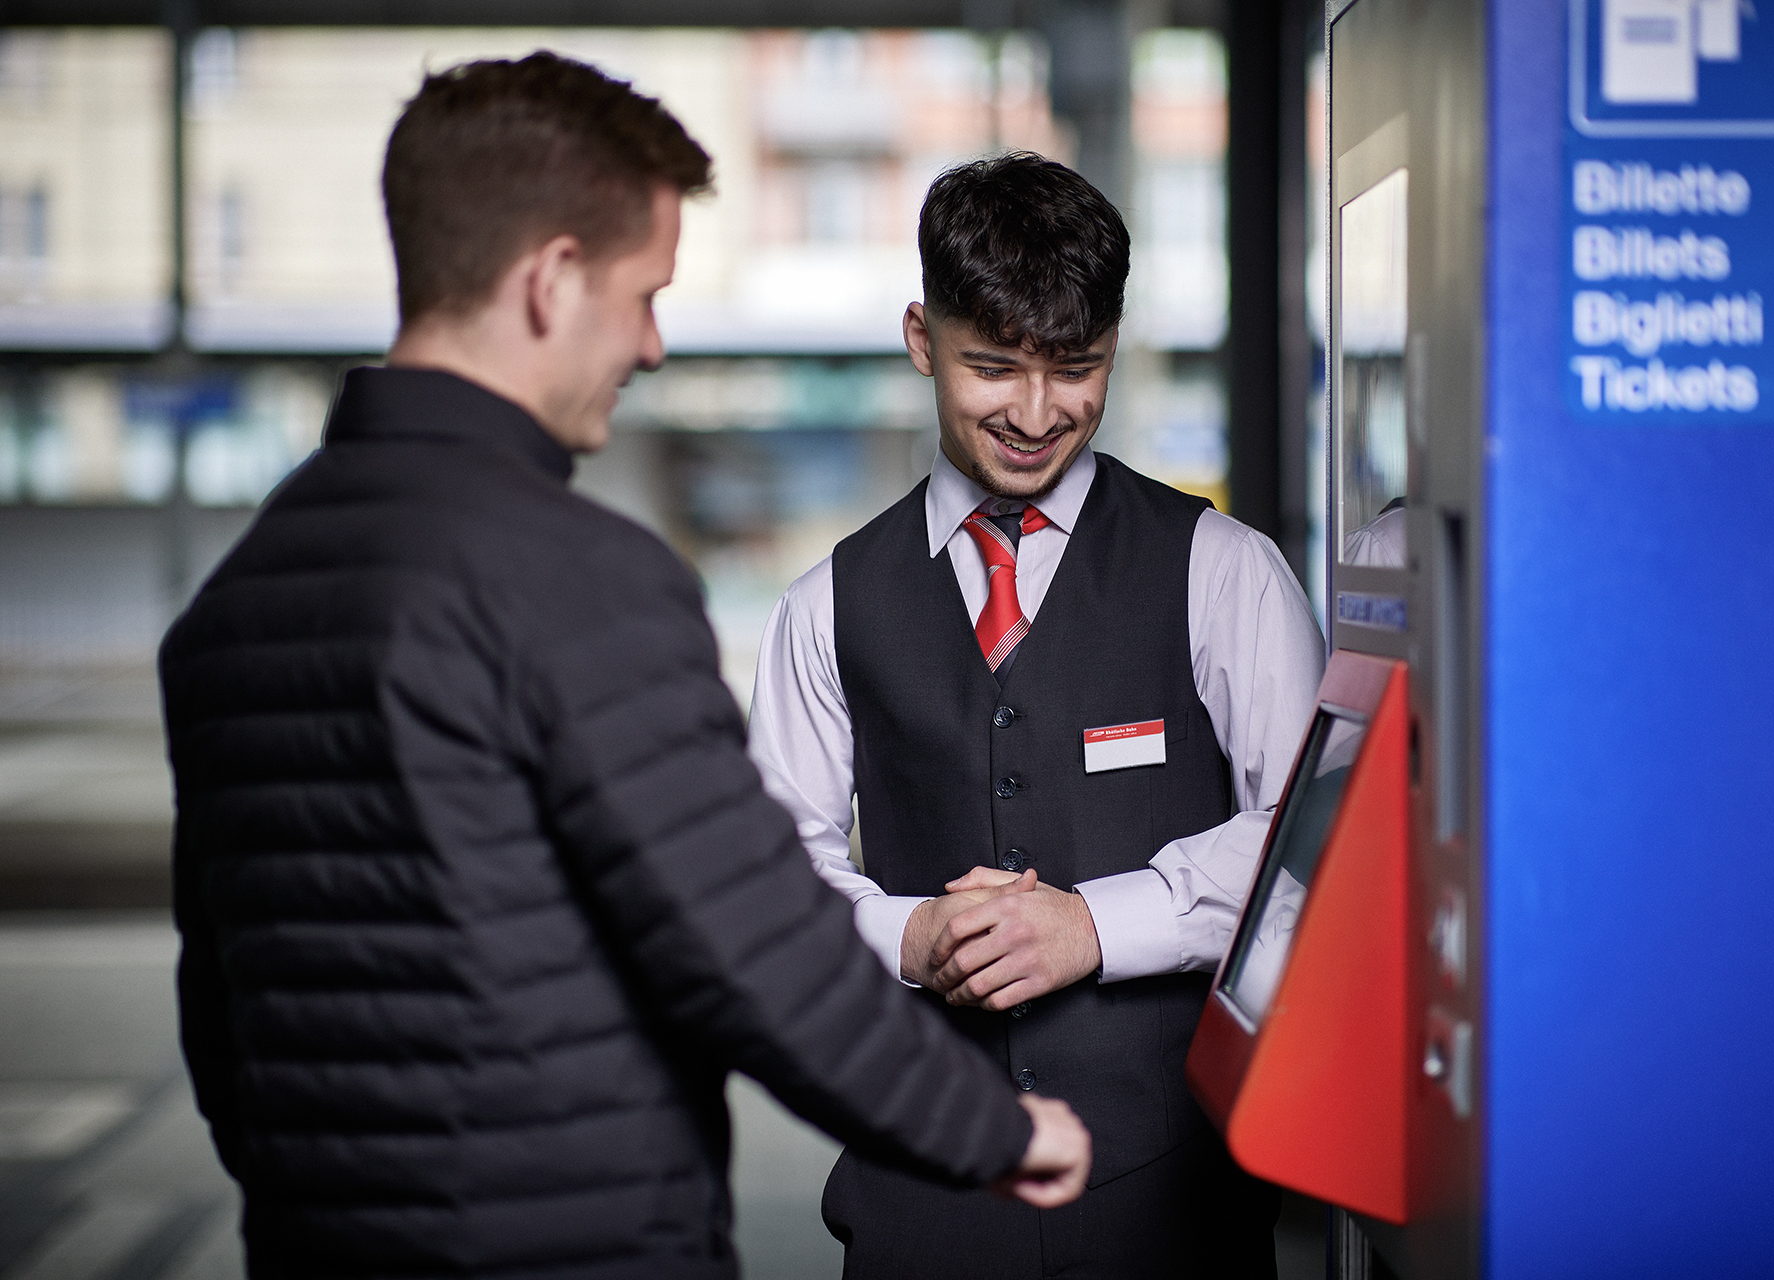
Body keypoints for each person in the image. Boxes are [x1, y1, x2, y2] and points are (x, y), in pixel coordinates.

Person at [160, 55, 1088, 1280]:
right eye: (644, 293)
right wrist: (993, 1125)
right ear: (550, 281)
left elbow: (219, 1017)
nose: (651, 344)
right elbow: (751, 942)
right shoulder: (583, 581)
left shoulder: (240, 596)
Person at [748, 153, 1326, 1278]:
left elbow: (1312, 855)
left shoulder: (1225, 572)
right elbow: (768, 882)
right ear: (922, 338)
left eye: (1076, 368)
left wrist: (1099, 925)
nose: (1033, 411)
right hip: (921, 1209)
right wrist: (910, 936)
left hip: (1173, 1210)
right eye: (992, 366)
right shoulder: (824, 605)